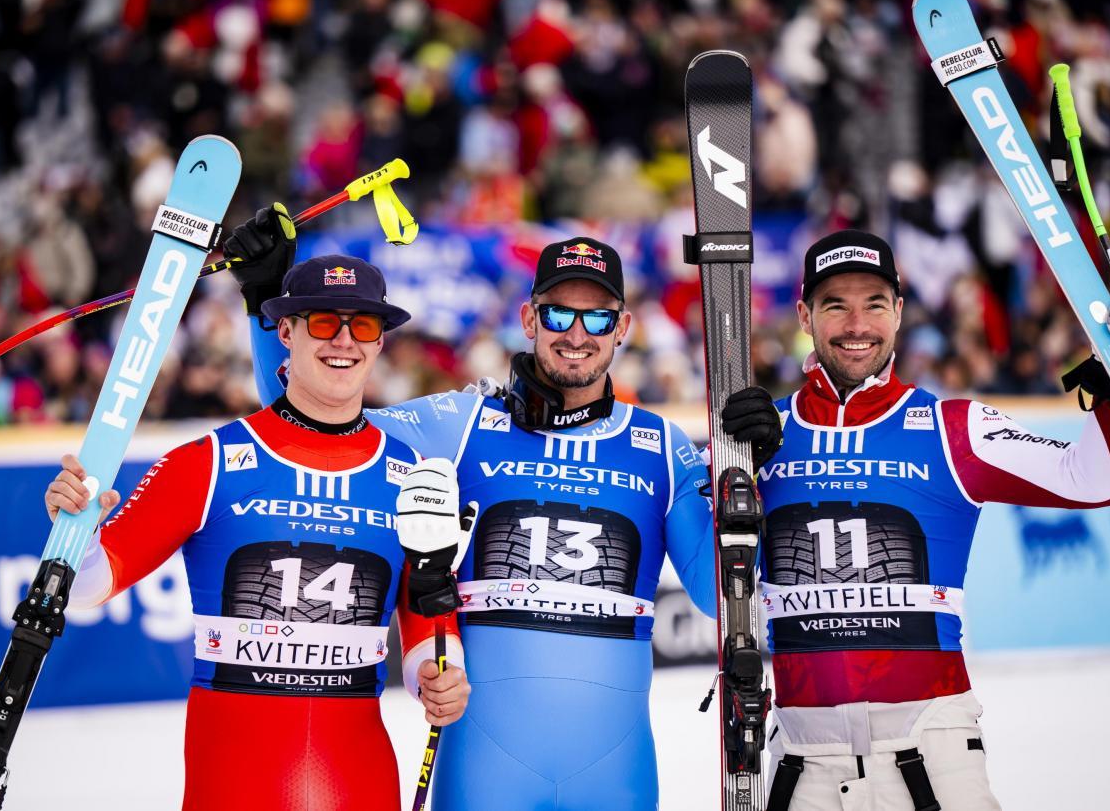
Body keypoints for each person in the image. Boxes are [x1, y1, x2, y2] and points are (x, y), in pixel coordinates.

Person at [228, 210, 783, 810]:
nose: (577, 333)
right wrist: (267, 301)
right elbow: (314, 418)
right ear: (528, 319)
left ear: (622, 327)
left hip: (614, 776)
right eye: (557, 313)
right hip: (487, 774)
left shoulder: (663, 447)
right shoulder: (462, 424)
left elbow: (715, 594)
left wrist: (757, 477)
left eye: (596, 315)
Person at [735, 230, 1110, 810]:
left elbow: (1093, 480)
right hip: (803, 766)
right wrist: (731, 466)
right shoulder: (763, 434)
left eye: (875, 304)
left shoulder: (953, 427)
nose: (857, 323)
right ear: (806, 314)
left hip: (930, 759)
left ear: (900, 313)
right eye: (836, 305)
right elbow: (710, 568)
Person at [44, 245, 472, 811]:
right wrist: (73, 528)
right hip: (234, 783)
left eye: (362, 325)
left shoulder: (414, 480)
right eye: (323, 322)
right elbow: (86, 586)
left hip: (360, 780)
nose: (343, 341)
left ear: (379, 341)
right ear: (286, 331)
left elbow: (426, 630)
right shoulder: (208, 462)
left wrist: (439, 681)